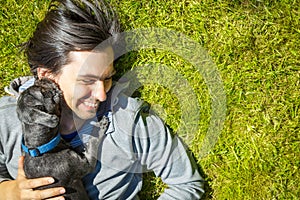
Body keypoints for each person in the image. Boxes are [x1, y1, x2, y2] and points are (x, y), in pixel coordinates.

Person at [0, 0, 205, 199]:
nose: (101, 94)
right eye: (87, 80)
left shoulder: (129, 123)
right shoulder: (5, 119)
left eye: (107, 78)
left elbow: (186, 182)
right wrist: (10, 193)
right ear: (47, 76)